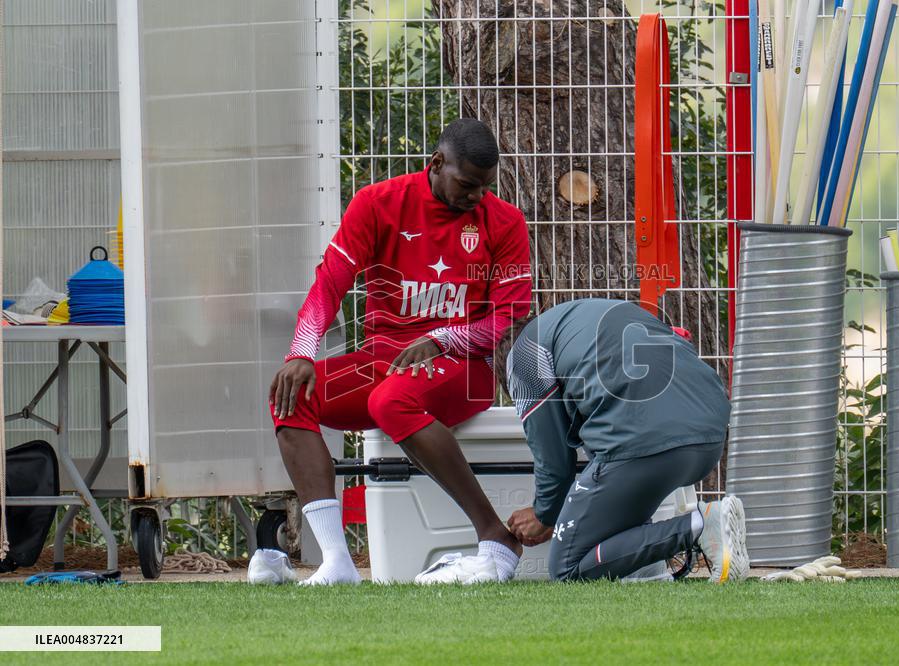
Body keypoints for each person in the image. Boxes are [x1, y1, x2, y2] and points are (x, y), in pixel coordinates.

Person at [250, 119, 532, 586]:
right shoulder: (378, 203)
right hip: (385, 363)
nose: (477, 197)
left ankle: (494, 536)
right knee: (292, 395)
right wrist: (300, 351)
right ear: (437, 163)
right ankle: (336, 563)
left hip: (465, 370)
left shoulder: (504, 221)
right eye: (467, 185)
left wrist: (444, 338)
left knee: (390, 401)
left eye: (485, 187)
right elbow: (330, 283)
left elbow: (507, 321)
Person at [495, 298, 748, 582]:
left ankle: (700, 526)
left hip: (645, 441)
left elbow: (553, 456)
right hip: (709, 436)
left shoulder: (522, 355)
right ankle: (655, 559)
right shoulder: (588, 318)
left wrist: (545, 514)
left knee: (567, 567)